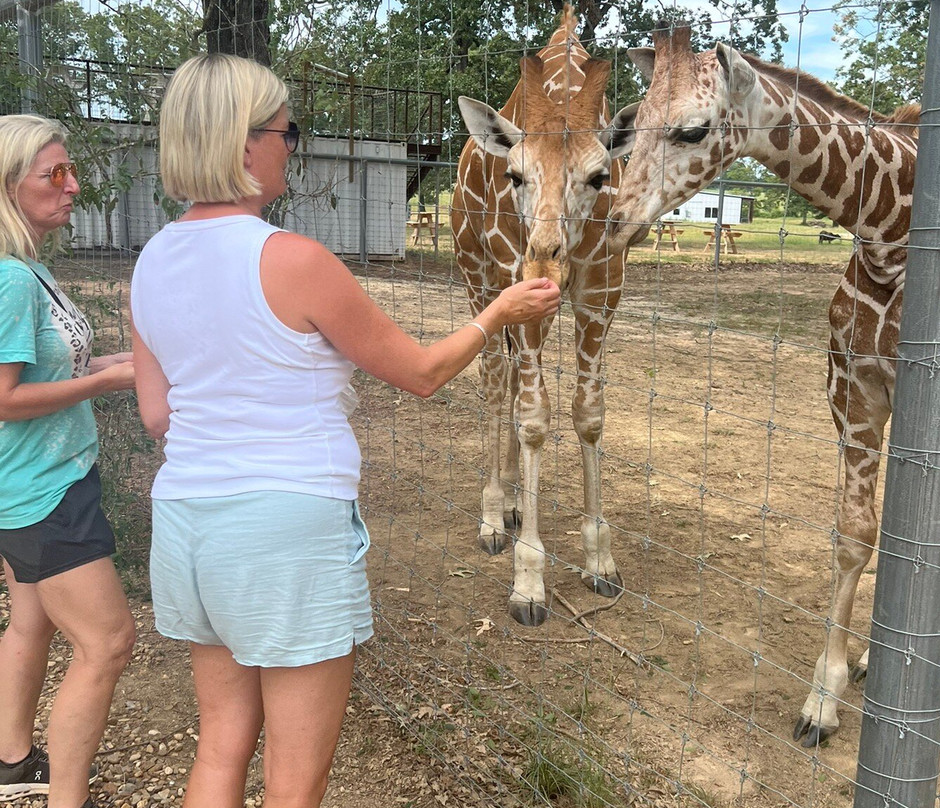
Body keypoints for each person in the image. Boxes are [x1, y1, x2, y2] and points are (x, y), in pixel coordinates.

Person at [129, 53, 561, 808]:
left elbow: (157, 414)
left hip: (186, 523)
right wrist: (498, 314)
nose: (293, 146)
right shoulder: (294, 260)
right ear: (244, 146)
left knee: (221, 745)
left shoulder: (151, 259)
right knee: (297, 781)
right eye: (287, 131)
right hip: (283, 530)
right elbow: (422, 374)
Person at [0, 114, 137, 808]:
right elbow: (4, 399)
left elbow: (65, 363)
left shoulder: (30, 267)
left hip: (37, 486)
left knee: (31, 622)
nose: (73, 185)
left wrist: (125, 361)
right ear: (9, 184)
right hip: (43, 494)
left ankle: (12, 762)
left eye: (70, 169)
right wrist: (109, 382)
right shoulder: (11, 281)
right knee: (109, 643)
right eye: (55, 173)